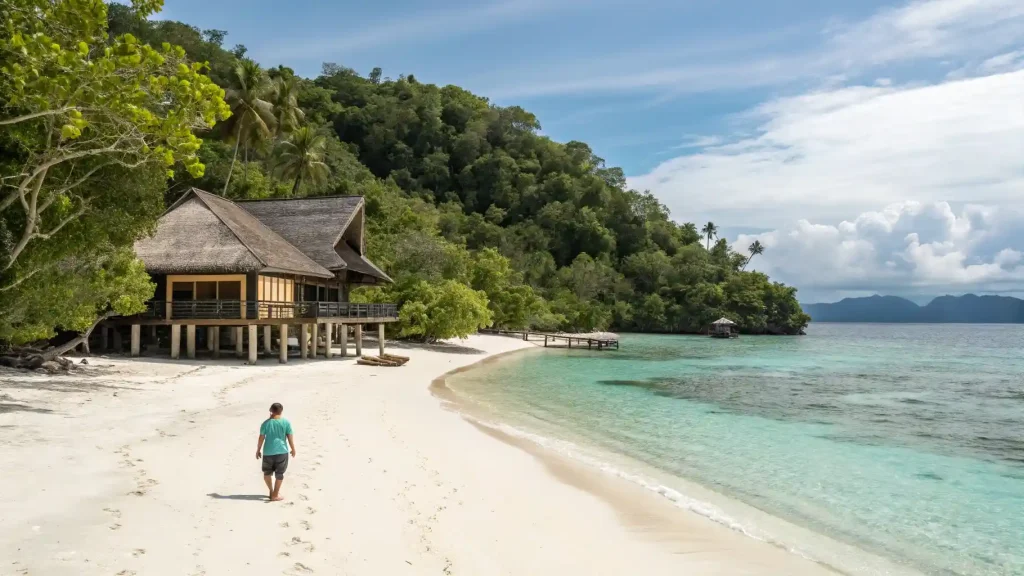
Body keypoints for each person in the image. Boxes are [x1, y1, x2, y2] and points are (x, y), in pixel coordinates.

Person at [256, 402, 296, 502]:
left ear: (271, 411)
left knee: (267, 473)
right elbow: (289, 437)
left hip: (268, 452)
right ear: (281, 411)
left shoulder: (266, 423)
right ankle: (275, 494)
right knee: (280, 473)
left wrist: (258, 450)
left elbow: (261, 438)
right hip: (282, 451)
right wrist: (293, 448)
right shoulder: (286, 422)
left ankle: (271, 491)